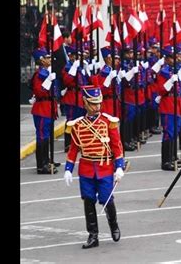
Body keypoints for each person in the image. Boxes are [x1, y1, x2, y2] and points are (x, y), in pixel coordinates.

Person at [63, 84, 125, 249]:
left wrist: (119, 166)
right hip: (86, 168)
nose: (97, 106)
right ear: (85, 103)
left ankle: (113, 224)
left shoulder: (108, 122)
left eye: (99, 103)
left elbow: (116, 145)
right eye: (93, 103)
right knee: (88, 200)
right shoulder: (77, 125)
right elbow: (74, 148)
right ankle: (93, 235)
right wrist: (68, 169)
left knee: (106, 199)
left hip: (104, 167)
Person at [31, 47, 60, 174]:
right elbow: (39, 92)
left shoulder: (47, 72)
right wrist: (48, 81)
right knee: (42, 136)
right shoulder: (39, 75)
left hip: (48, 107)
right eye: (47, 57)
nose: (50, 59)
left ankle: (47, 160)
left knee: (46, 136)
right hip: (42, 108)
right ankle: (41, 165)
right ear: (41, 60)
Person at [154, 45, 181, 171]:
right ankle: (166, 160)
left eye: (173, 57)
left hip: (176, 103)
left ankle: (173, 156)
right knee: (168, 133)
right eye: (170, 57)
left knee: (175, 131)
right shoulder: (163, 73)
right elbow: (161, 90)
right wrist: (170, 81)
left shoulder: (173, 70)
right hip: (168, 104)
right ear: (165, 59)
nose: (173, 59)